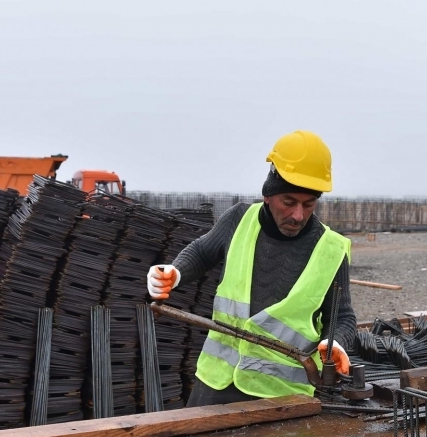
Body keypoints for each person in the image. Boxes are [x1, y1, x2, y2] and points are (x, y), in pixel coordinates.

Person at [146, 130, 357, 407]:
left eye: (309, 204)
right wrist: (174, 272)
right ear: (268, 195)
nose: (298, 215)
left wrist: (336, 342)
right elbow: (202, 251)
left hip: (282, 395)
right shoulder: (239, 220)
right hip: (216, 382)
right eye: (289, 202)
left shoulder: (332, 249)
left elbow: (343, 317)